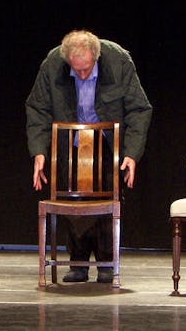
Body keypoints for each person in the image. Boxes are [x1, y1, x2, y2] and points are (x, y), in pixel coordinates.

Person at [25, 30, 152, 283]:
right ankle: (79, 263)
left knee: (106, 196)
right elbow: (38, 108)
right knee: (75, 200)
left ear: (96, 56)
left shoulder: (118, 60)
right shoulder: (52, 64)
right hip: (70, 139)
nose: (82, 75)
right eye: (76, 70)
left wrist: (131, 154)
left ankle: (106, 263)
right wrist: (39, 151)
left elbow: (139, 108)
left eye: (87, 70)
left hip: (106, 139)